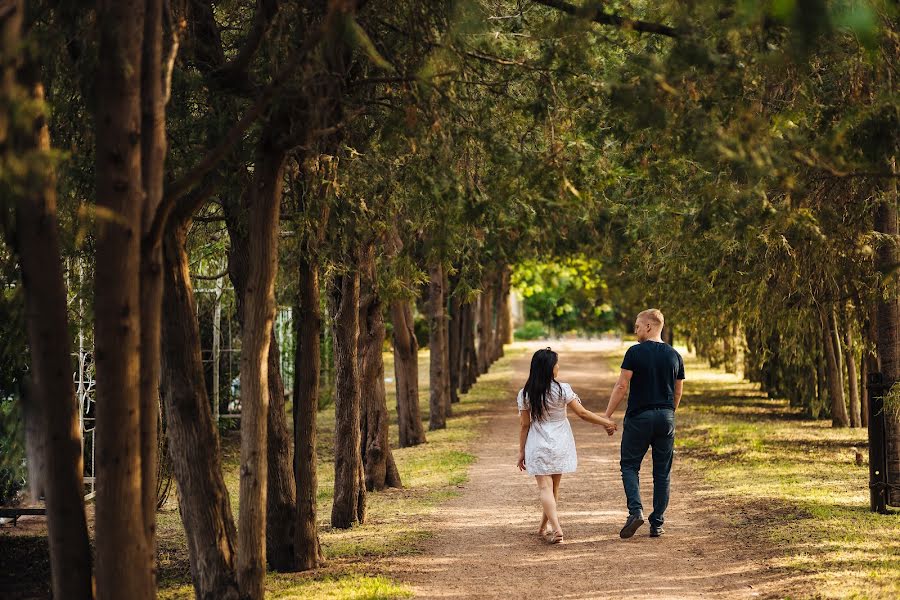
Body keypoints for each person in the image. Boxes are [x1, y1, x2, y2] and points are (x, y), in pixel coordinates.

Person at [516, 347, 617, 544]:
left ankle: (553, 527)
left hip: (537, 442)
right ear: (550, 368)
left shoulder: (526, 393)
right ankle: (548, 527)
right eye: (556, 364)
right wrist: (607, 422)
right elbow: (583, 414)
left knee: (545, 488)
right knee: (554, 488)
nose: (558, 367)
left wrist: (521, 451)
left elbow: (524, 425)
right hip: (560, 441)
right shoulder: (562, 389)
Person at [603, 309, 685, 539]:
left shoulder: (634, 352)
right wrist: (668, 414)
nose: (635, 329)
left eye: (638, 325)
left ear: (649, 326)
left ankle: (635, 511)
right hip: (665, 418)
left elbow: (621, 386)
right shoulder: (674, 355)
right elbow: (678, 391)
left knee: (629, 466)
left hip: (639, 417)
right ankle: (657, 523)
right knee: (662, 472)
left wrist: (607, 415)